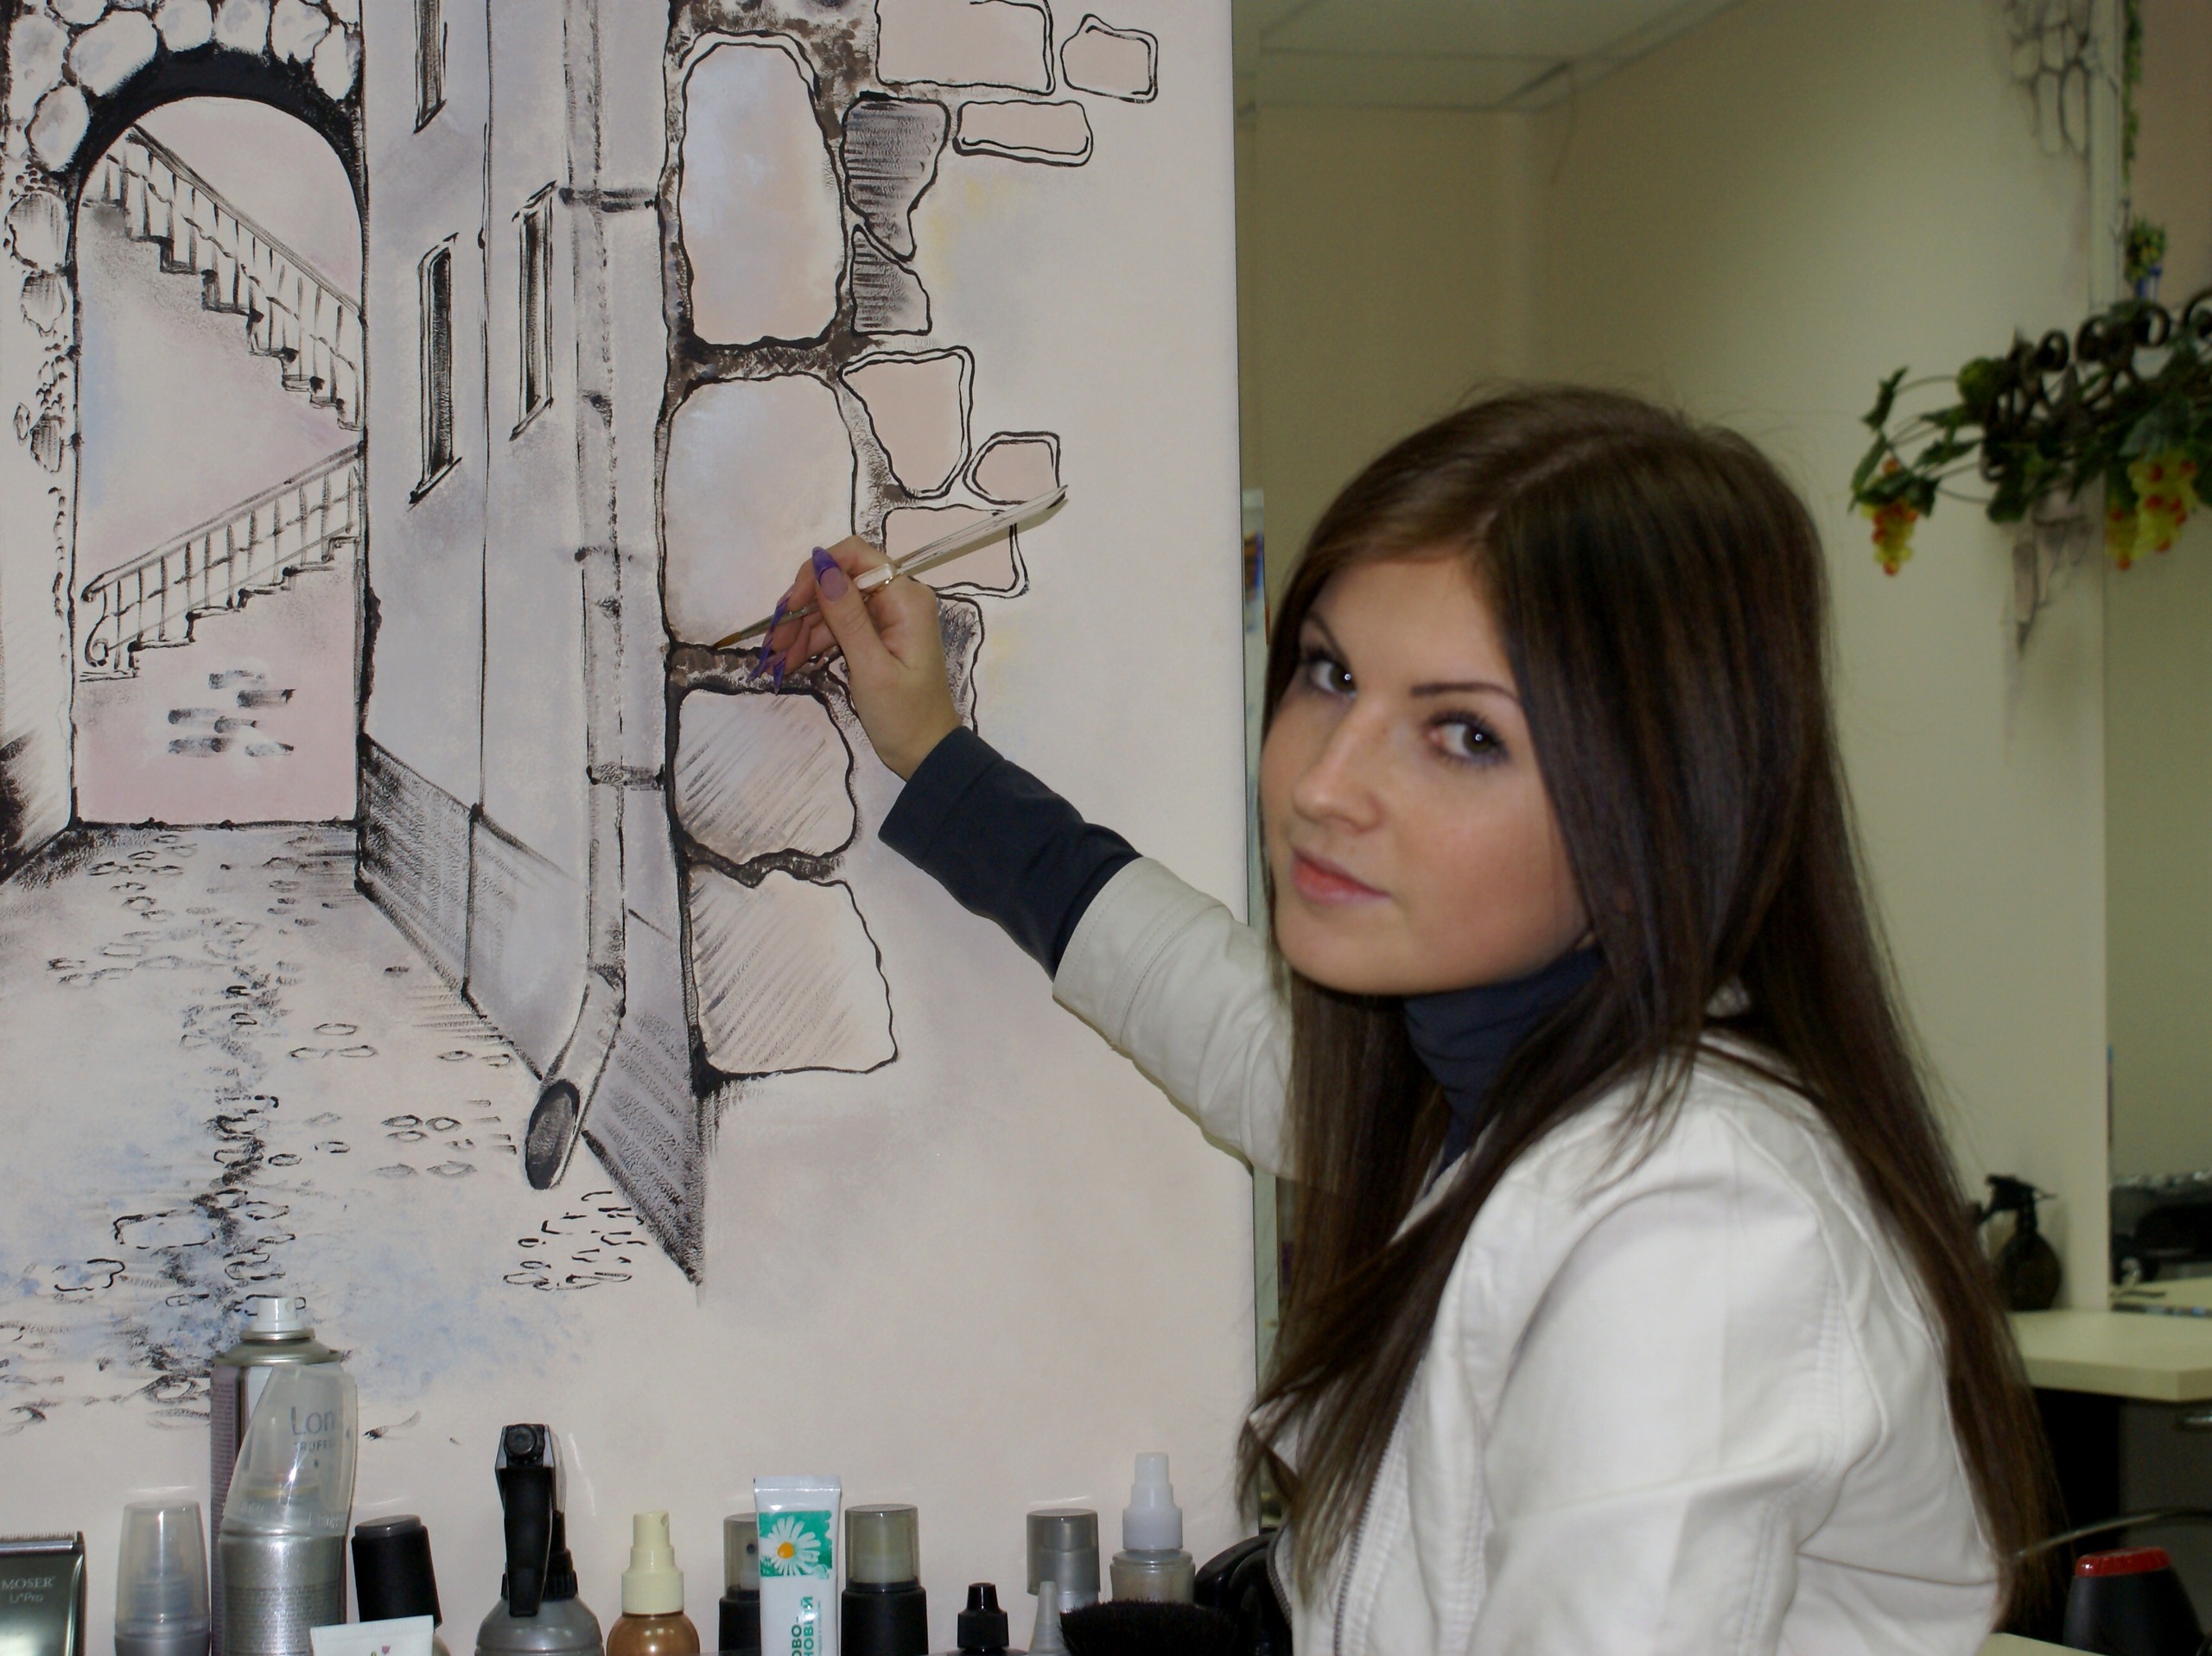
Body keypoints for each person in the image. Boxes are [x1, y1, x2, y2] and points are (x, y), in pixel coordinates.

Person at [760, 388, 2052, 1654]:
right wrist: (933, 752)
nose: (1326, 784)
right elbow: (1211, 1010)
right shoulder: (1489, 1089)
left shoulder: (1693, 1230)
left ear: (1661, 809)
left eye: (1466, 736)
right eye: (1330, 673)